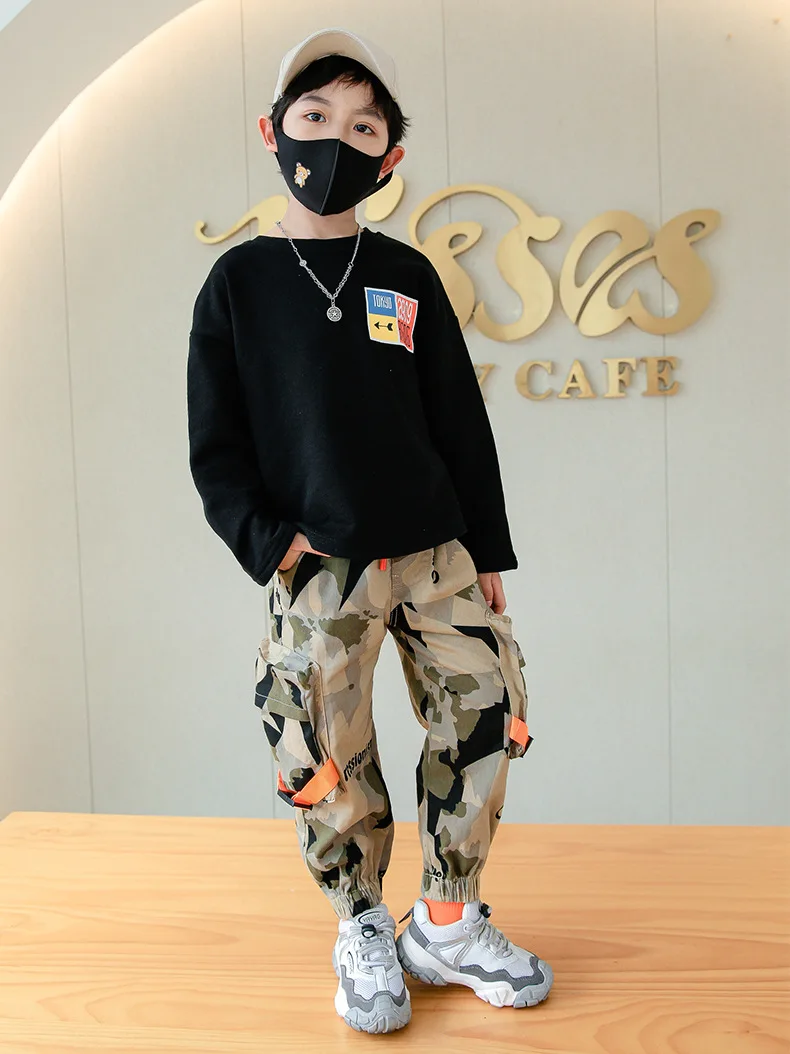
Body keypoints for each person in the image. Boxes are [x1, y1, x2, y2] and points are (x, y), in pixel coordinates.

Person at [187, 25, 553, 1035]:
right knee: (321, 742)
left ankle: (446, 920)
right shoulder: (237, 286)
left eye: (361, 127)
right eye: (314, 117)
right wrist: (269, 542)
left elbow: (458, 420)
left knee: (484, 708)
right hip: (318, 563)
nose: (334, 140)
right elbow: (214, 443)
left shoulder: (408, 273)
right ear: (273, 131)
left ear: (390, 158)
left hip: (435, 550)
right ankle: (361, 921)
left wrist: (486, 549)